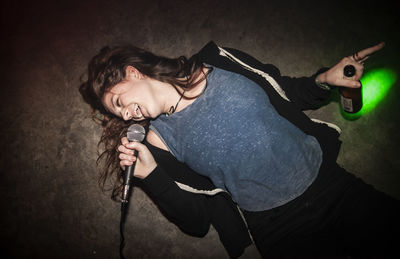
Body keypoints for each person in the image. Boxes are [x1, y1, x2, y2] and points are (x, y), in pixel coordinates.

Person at [80, 41, 399, 258]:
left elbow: (282, 91)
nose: (124, 114)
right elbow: (196, 222)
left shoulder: (218, 59)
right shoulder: (156, 142)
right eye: (117, 113)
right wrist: (151, 175)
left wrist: (324, 80)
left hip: (329, 183)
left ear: (132, 72)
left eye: (118, 101)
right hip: (280, 227)